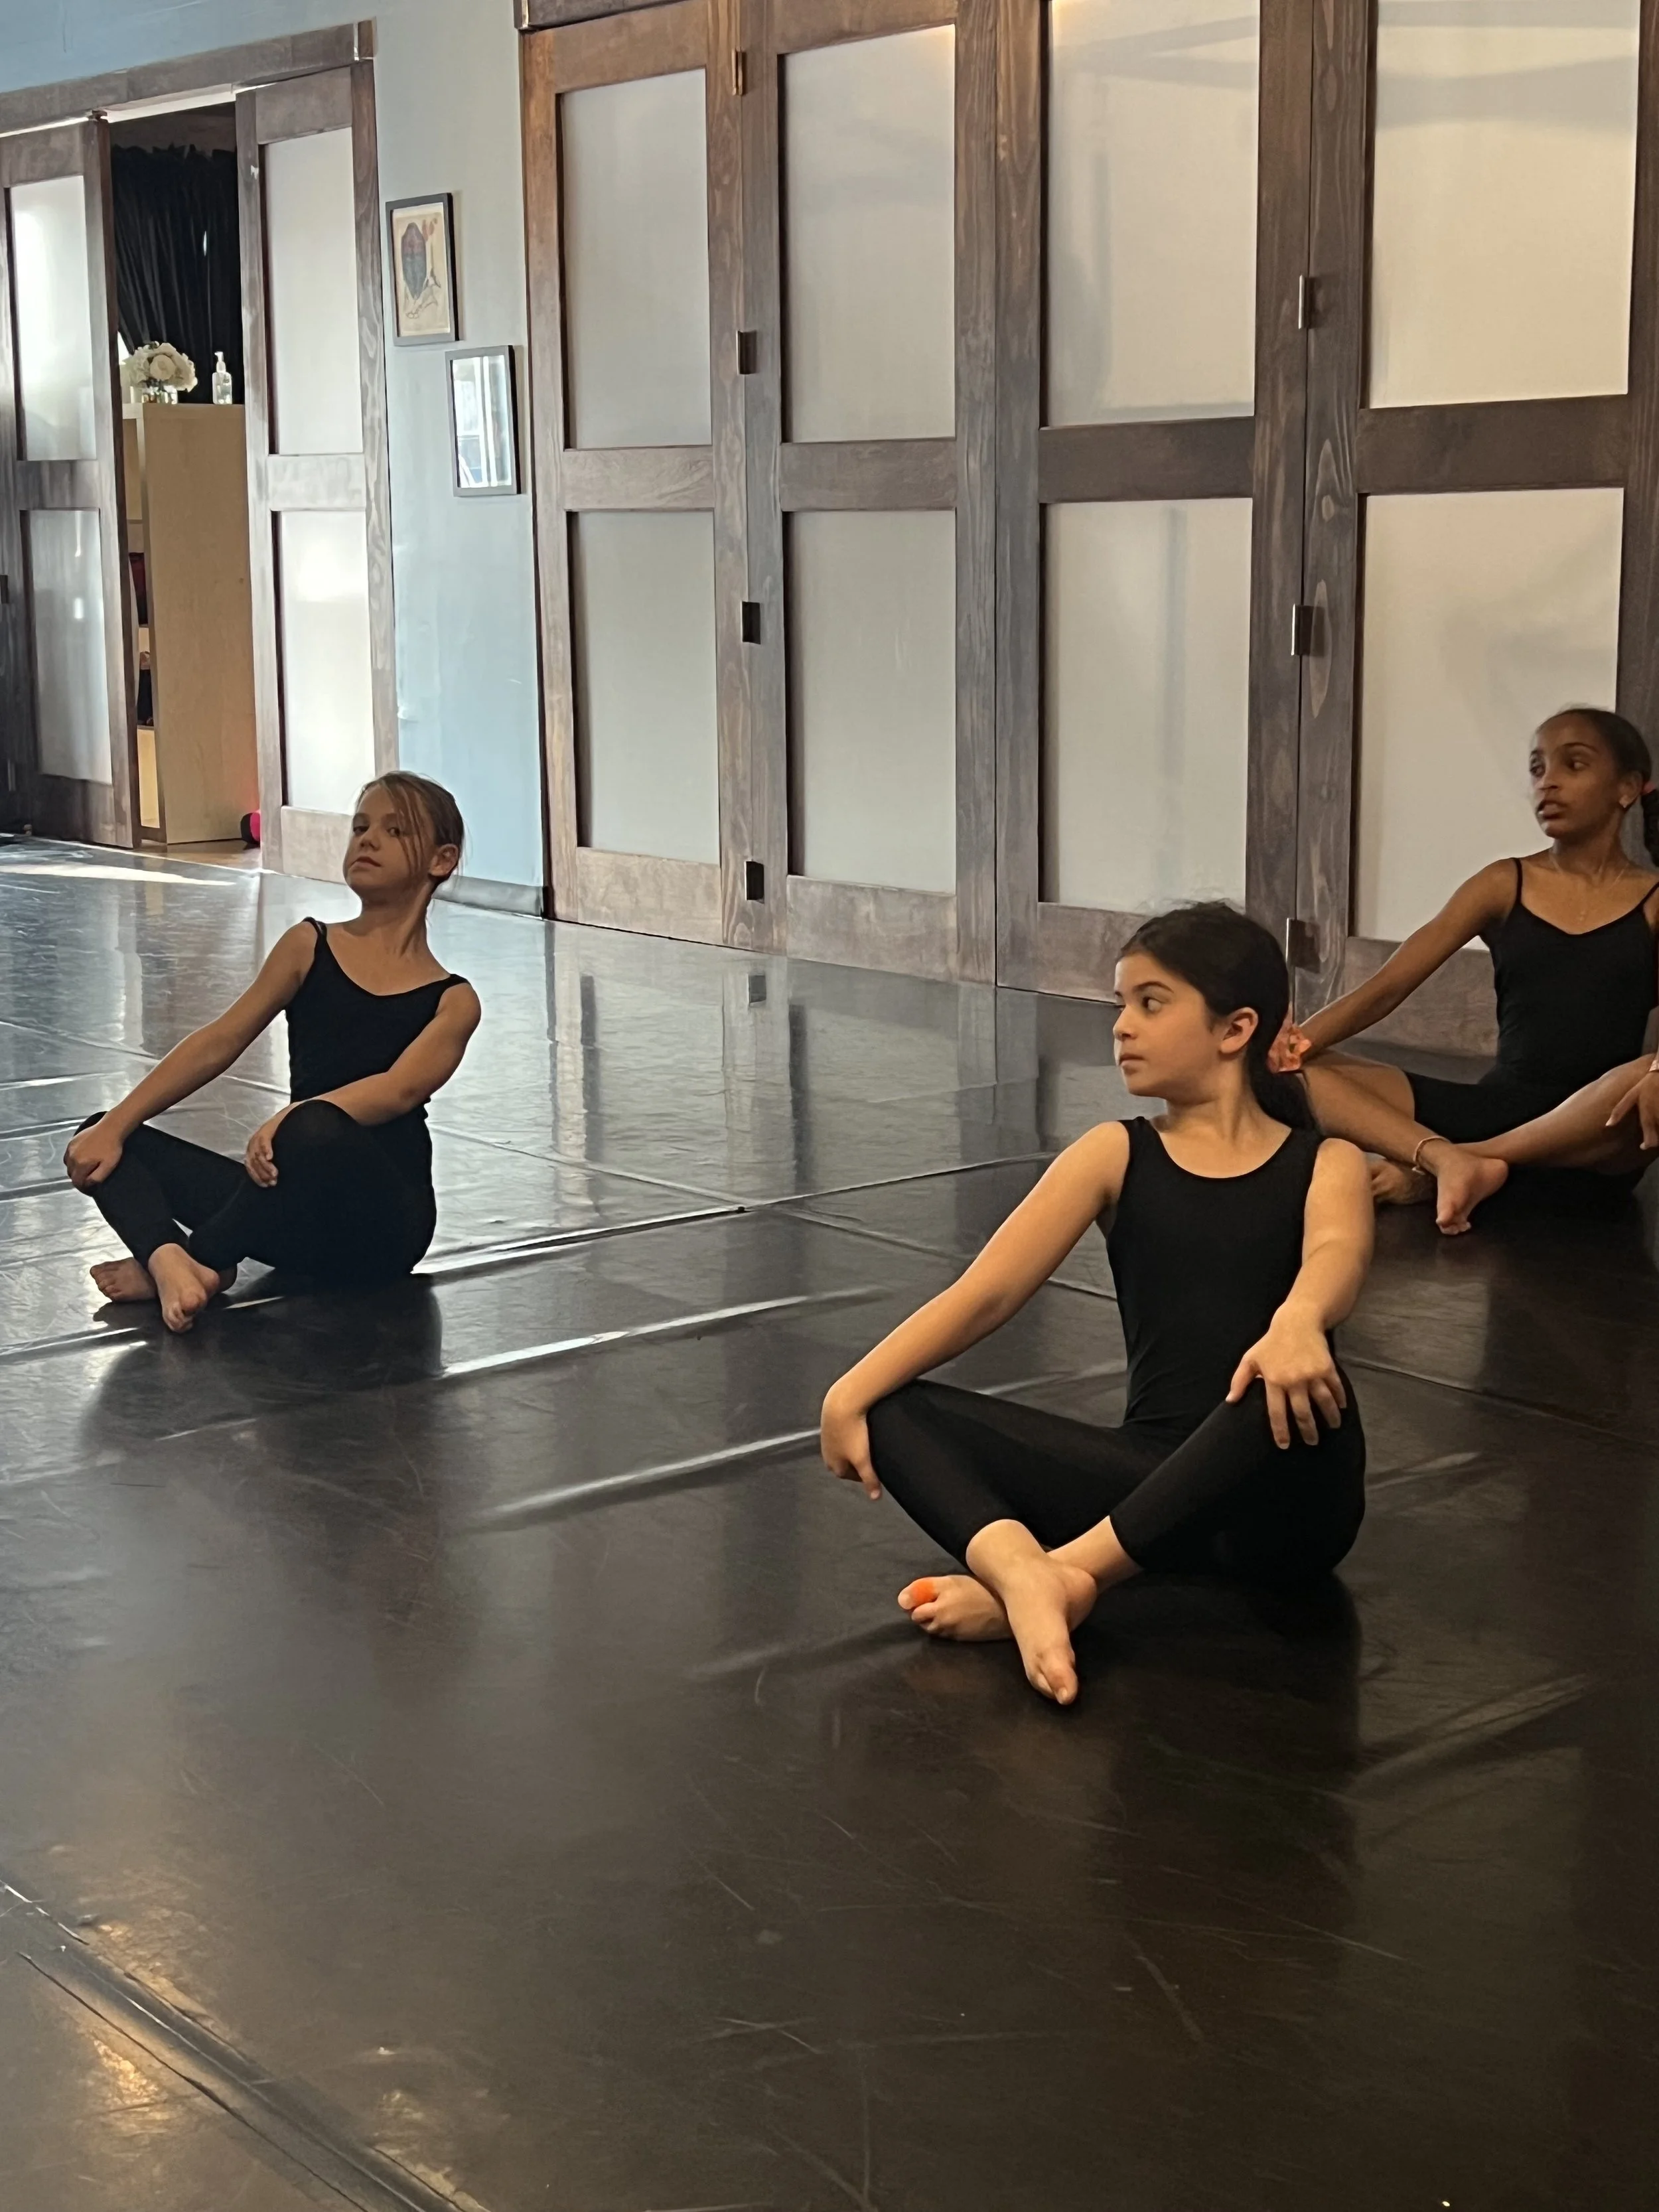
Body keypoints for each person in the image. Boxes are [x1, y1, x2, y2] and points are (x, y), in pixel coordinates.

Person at [820, 904, 1372, 1708]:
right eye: (1119, 1005)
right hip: (1142, 1493)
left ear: (1235, 1028)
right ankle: (1025, 1577)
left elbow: (1337, 1254)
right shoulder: (1115, 1153)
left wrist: (1296, 1321)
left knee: (1282, 1380)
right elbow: (988, 1293)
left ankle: (1069, 1576)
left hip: (1284, 1505)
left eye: (1150, 1003)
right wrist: (849, 1392)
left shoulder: (1328, 1162)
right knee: (892, 1411)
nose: (1121, 1027)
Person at [64, 774, 480, 1333]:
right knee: (102, 1138)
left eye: (394, 829)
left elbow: (399, 1088)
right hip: (291, 1216)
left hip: (381, 1228)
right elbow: (221, 1040)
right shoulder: (309, 945)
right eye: (360, 827)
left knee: (315, 1128)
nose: (367, 840)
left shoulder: (453, 1000)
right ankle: (170, 1259)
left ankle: (205, 1258)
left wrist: (292, 1116)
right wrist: (118, 1122)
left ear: (442, 858)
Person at [1274, 707, 1659, 1233]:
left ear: (1628, 788)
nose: (1549, 782)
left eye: (1574, 765)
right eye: (1537, 768)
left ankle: (1447, 1165)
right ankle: (1451, 1159)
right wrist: (1295, 1046)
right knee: (1301, 1077)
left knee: (1652, 1075)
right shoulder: (1504, 883)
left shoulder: (1654, 900)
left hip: (1598, 1136)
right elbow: (1392, 984)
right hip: (1496, 1105)